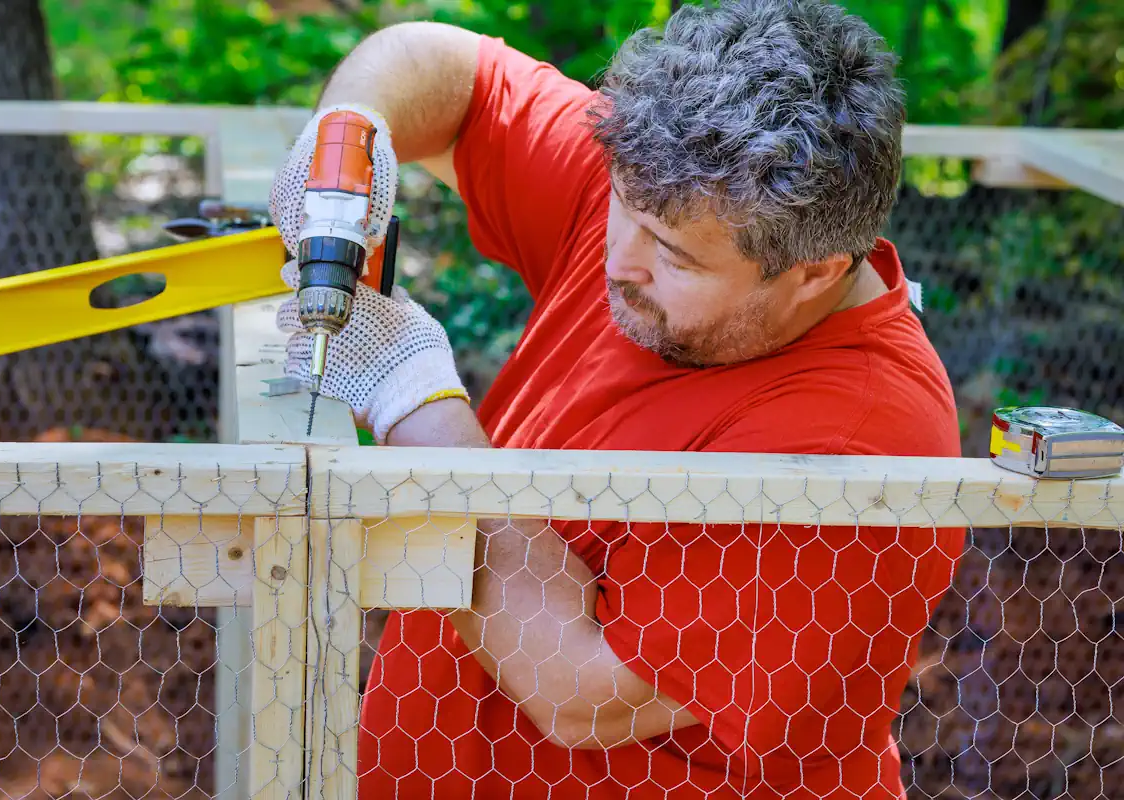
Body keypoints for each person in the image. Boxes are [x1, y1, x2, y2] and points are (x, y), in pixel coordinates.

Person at [267, 1, 966, 797]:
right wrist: (348, 141)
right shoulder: (667, 186)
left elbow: (577, 691)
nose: (620, 265)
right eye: (620, 211)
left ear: (815, 270)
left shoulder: (858, 447)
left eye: (673, 256)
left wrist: (409, 396)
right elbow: (442, 62)